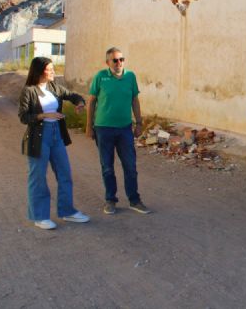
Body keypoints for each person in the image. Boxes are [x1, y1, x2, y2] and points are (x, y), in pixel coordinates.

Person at [18, 57, 90, 230]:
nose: (53, 72)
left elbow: (72, 95)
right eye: (50, 69)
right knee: (38, 178)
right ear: (39, 71)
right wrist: (43, 116)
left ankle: (67, 211)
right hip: (38, 138)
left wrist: (80, 103)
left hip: (57, 136)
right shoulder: (29, 91)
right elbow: (23, 117)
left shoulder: (54, 87)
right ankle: (40, 216)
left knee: (65, 174)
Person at [86, 47, 151, 215]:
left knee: (130, 166)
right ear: (108, 62)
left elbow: (134, 100)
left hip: (125, 129)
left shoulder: (130, 77)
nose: (119, 63)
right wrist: (89, 126)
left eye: (121, 59)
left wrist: (139, 123)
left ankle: (134, 200)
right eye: (115, 60)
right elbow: (92, 101)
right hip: (103, 129)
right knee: (107, 167)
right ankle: (110, 200)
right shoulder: (101, 77)